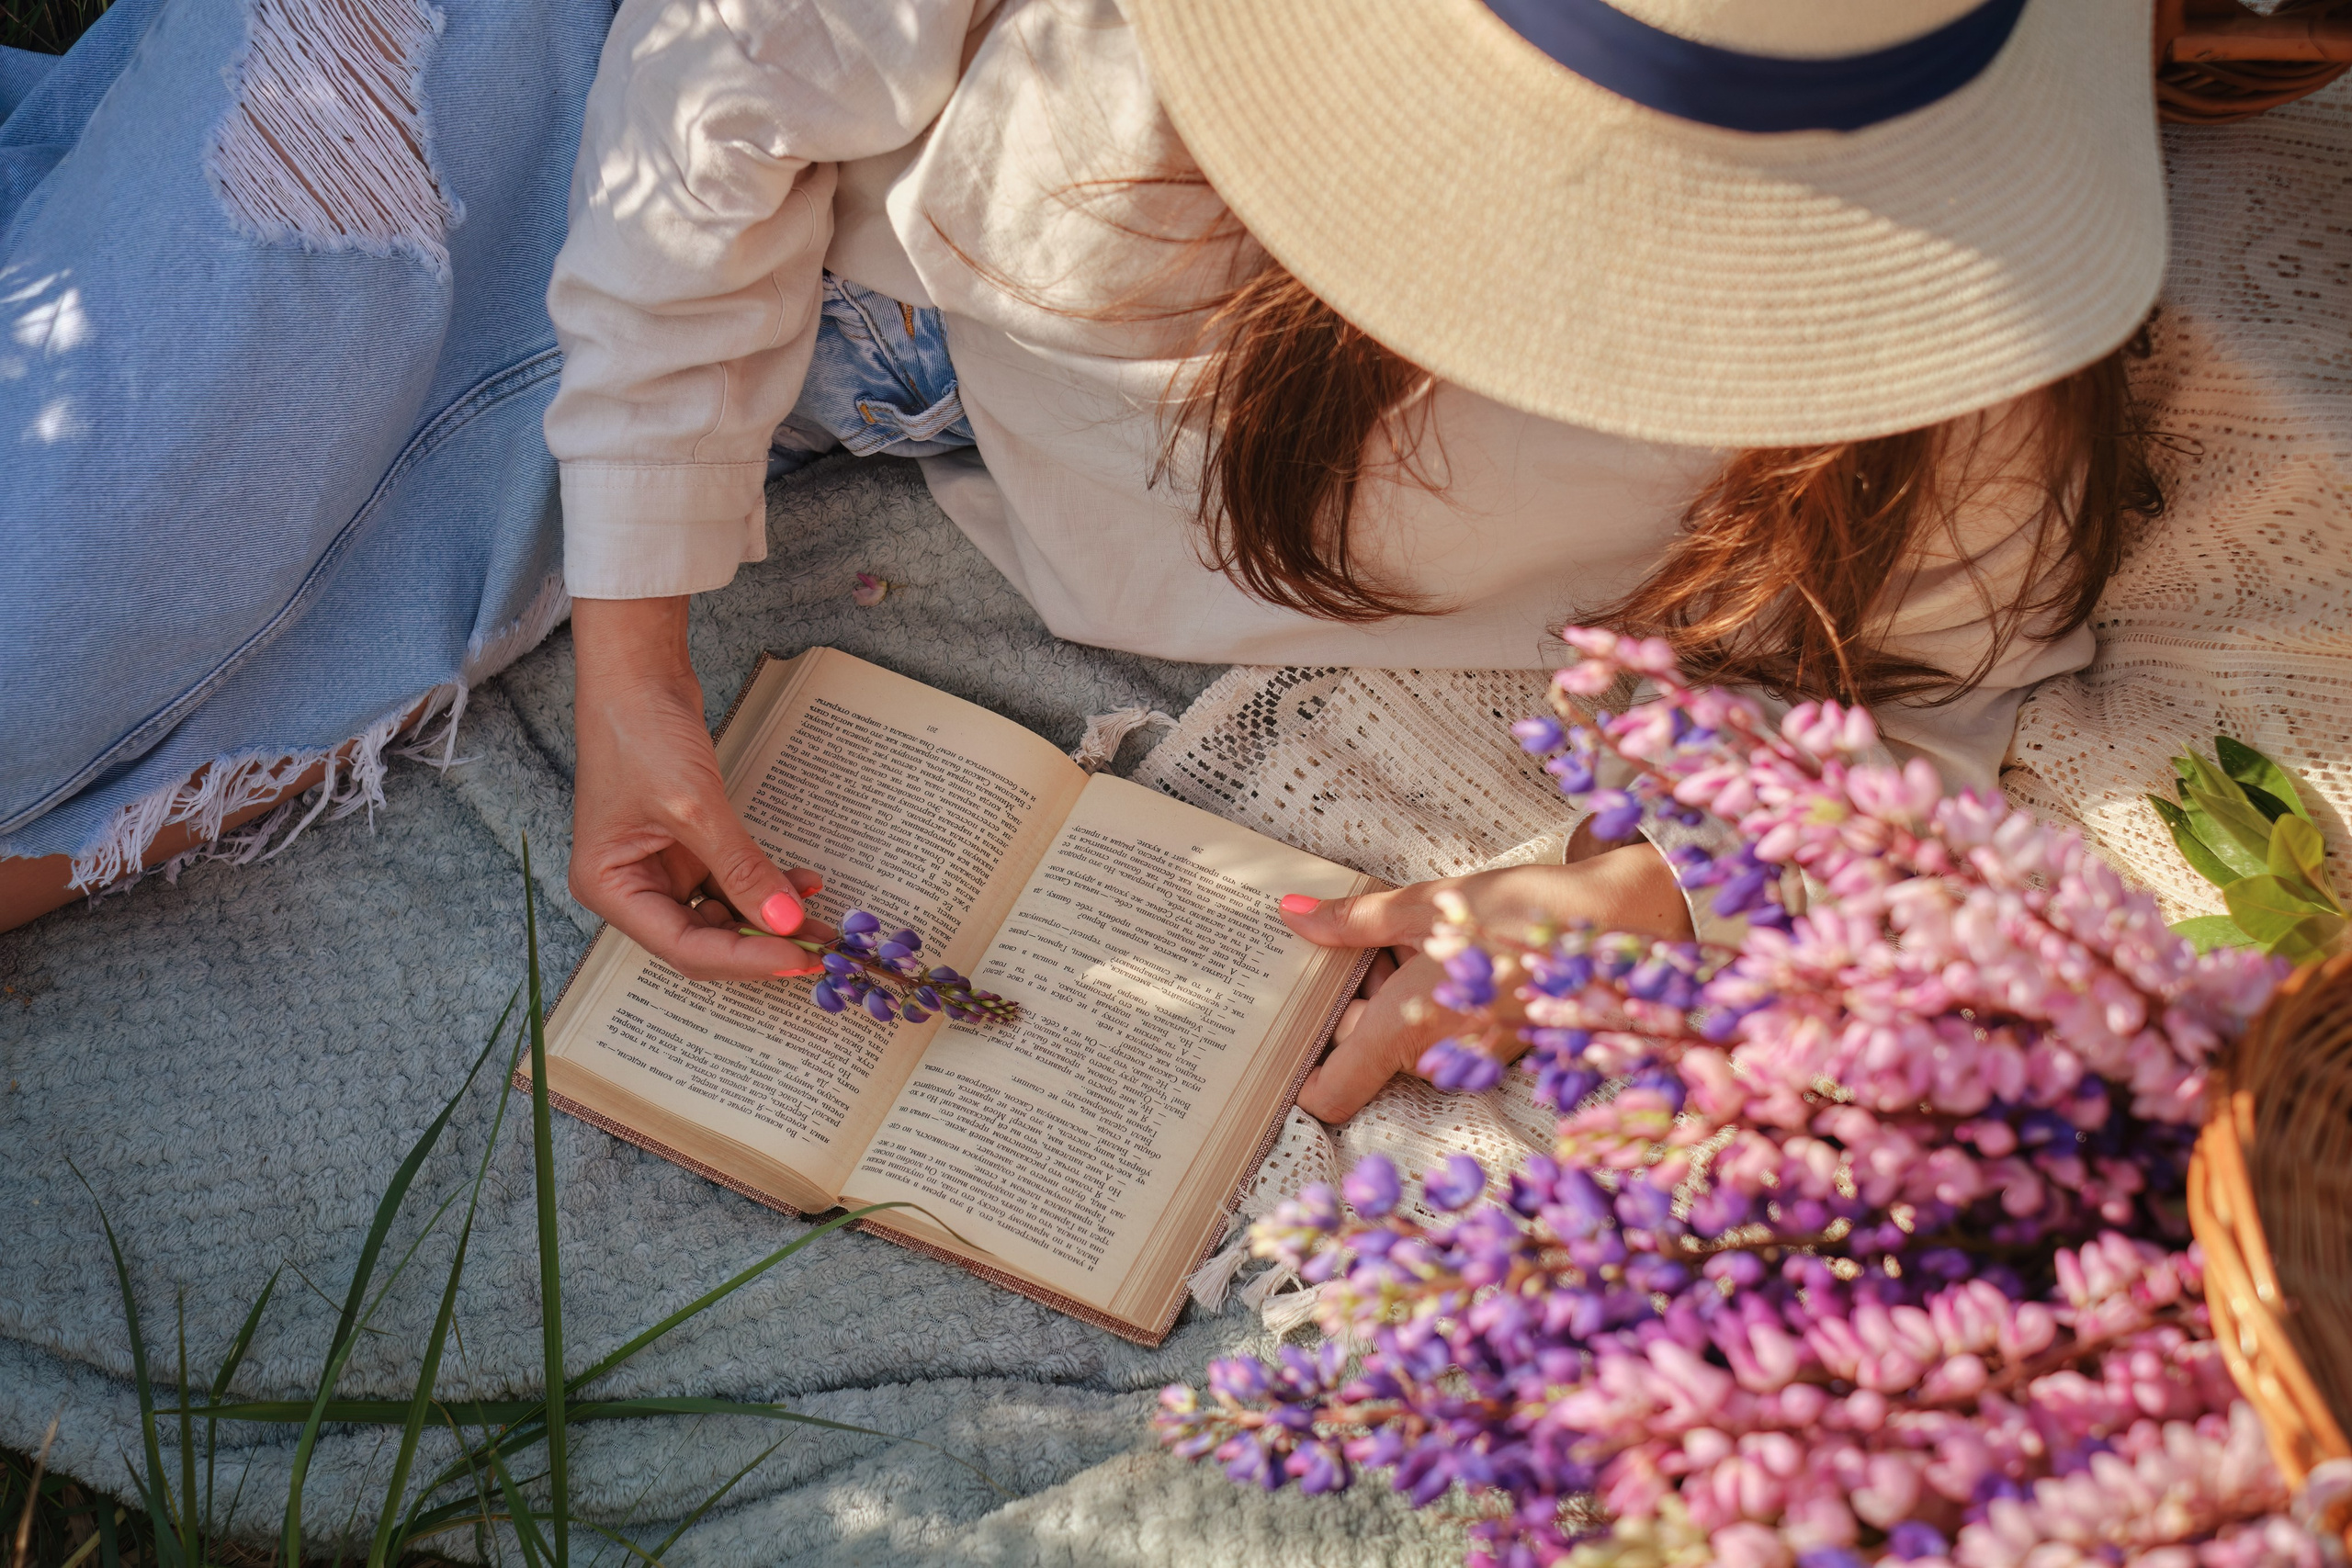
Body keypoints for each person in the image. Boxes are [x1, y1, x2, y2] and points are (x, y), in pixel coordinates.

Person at [4, 0, 2165, 1129]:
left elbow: (1924, 705)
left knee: (106, 741)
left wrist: (1641, 879)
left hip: (836, 369)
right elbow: (710, 87)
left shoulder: (1921, 392)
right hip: (553, 69)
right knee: (62, 611)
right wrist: (645, 650)